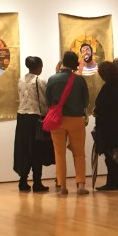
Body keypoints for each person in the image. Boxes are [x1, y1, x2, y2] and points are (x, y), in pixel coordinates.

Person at [45, 50, 90, 195]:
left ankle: (62, 185)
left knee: (59, 153)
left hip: (58, 120)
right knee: (79, 153)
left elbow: (48, 101)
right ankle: (81, 184)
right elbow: (86, 101)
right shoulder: (80, 80)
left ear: (63, 62)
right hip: (76, 119)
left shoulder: (52, 79)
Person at [13, 56, 53, 192]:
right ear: (39, 67)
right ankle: (37, 182)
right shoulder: (40, 81)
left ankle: (23, 181)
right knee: (37, 150)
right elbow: (44, 101)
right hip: (35, 118)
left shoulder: (21, 80)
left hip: (22, 117)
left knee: (24, 149)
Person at [93, 61, 118, 191]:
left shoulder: (109, 88)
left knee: (111, 158)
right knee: (117, 157)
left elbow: (103, 106)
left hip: (111, 129)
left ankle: (112, 182)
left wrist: (96, 111)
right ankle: (117, 181)